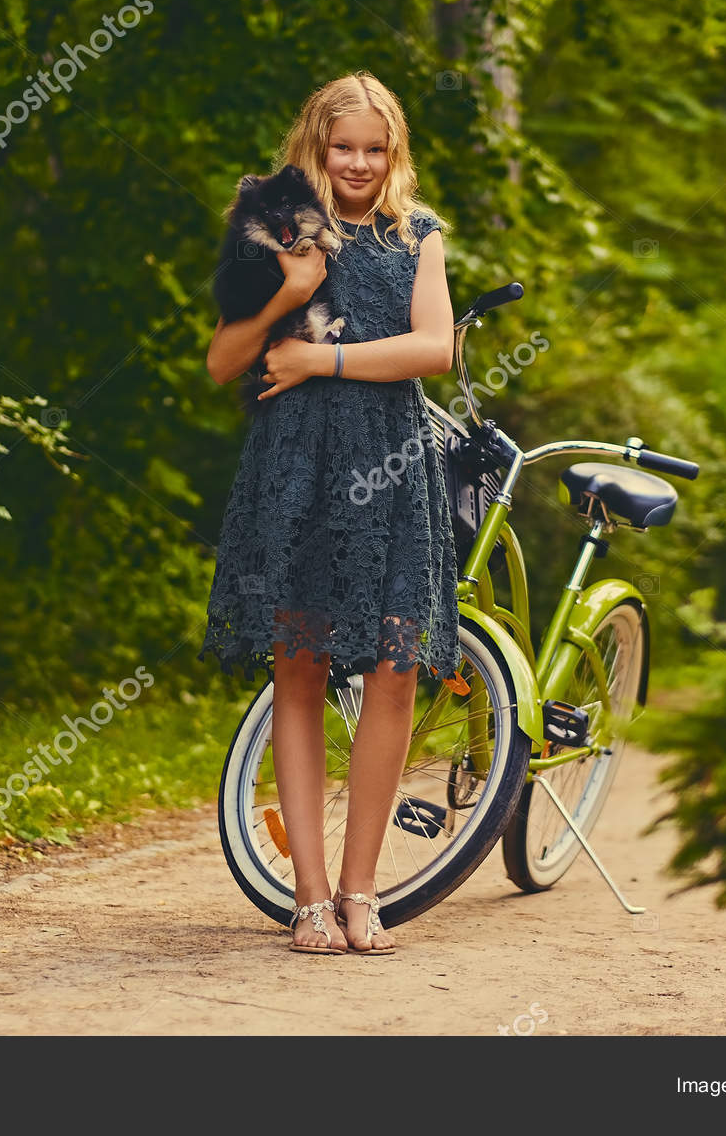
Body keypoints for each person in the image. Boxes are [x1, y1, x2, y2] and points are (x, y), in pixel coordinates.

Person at [198, 71, 460, 954]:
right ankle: (308, 896)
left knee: (393, 669)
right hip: (296, 472)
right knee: (300, 670)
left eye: (374, 149)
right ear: (316, 141)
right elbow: (223, 360)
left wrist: (323, 362)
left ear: (395, 154)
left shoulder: (418, 236)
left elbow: (434, 348)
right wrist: (286, 290)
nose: (357, 162)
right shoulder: (272, 229)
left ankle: (361, 890)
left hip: (391, 472)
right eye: (343, 145)